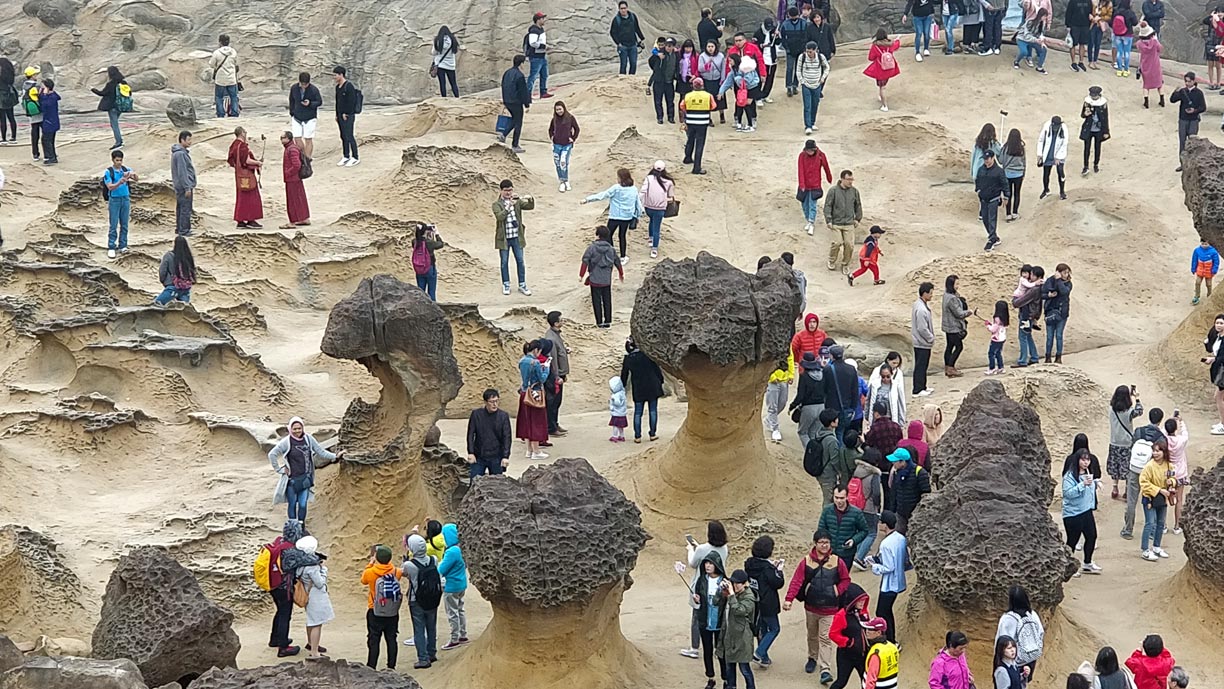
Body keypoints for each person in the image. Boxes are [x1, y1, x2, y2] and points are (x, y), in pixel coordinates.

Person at [783, 530, 850, 682]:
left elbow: (845, 580)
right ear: (815, 543)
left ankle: (825, 669)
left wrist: (836, 591)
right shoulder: (806, 561)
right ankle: (812, 657)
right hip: (811, 607)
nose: (825, 545)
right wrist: (789, 599)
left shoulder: (837, 561)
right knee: (812, 635)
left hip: (830, 608)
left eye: (827, 542)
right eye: (821, 542)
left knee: (825, 637)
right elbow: (797, 581)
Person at [268, 416, 340, 523]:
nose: (297, 431)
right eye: (294, 429)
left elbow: (320, 451)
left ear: (302, 428)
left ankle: (301, 527)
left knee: (302, 505)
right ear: (290, 429)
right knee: (292, 505)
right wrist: (279, 470)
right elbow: (272, 454)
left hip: (305, 479)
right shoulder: (286, 442)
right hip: (292, 481)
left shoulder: (308, 439)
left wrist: (335, 456)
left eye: (299, 428)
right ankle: (293, 529)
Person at [683, 522, 730, 660]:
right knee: (718, 615)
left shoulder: (702, 549)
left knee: (697, 616)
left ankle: (694, 648)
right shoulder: (724, 548)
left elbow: (693, 563)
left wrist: (691, 550)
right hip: (718, 585)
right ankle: (718, 648)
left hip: (701, 585)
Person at [583, 168, 643, 263]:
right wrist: (638, 215)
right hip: (627, 217)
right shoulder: (634, 189)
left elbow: (603, 195)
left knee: (609, 234)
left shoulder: (616, 188)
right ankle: (623, 257)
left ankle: (611, 253)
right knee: (622, 236)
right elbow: (638, 204)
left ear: (621, 178)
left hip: (615, 216)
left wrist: (588, 199)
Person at [743, 536, 784, 667]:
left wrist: (772, 567)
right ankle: (759, 653)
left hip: (755, 600)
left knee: (762, 629)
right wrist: (779, 571)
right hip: (768, 603)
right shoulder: (767, 568)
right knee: (774, 629)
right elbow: (777, 583)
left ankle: (764, 659)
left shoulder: (749, 564)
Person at [866, 512, 905, 644]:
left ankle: (890, 640)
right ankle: (892, 640)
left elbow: (888, 567)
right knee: (887, 611)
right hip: (899, 581)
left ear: (884, 525)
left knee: (881, 612)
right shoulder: (900, 538)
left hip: (889, 584)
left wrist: (874, 566)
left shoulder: (886, 544)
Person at [291, 535, 333, 659]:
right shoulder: (312, 567)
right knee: (317, 623)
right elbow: (320, 583)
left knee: (311, 621)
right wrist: (324, 571)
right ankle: (314, 651)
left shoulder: (300, 564)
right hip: (316, 596)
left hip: (308, 595)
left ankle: (310, 643)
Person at [265, 520, 303, 657]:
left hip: (273, 585)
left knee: (280, 612)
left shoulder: (279, 542)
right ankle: (283, 647)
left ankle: (275, 639)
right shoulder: (290, 550)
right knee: (285, 615)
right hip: (284, 588)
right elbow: (305, 561)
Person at [362, 545, 403, 669]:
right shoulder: (396, 571)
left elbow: (363, 580)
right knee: (391, 639)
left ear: (376, 558)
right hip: (392, 611)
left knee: (374, 639)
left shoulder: (370, 572)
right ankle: (391, 666)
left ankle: (371, 666)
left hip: (374, 610)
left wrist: (370, 563)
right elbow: (399, 574)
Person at [692, 551, 730, 688]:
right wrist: (697, 599)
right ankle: (711, 677)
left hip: (720, 622)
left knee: (721, 651)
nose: (708, 566)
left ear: (717, 565)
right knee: (707, 650)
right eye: (706, 563)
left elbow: (730, 601)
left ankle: (726, 679)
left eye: (711, 563)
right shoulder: (701, 580)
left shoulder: (725, 581)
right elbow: (698, 600)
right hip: (705, 621)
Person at [403, 535, 440, 669]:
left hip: (416, 600)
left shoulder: (409, 565)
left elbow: (405, 574)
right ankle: (432, 653)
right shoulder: (433, 560)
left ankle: (423, 659)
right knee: (431, 626)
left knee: (419, 629)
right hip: (432, 598)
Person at [1063, 447, 1102, 574]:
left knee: (1091, 536)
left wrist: (1095, 483)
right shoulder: (1069, 476)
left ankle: (1087, 562)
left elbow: (1089, 489)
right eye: (1083, 460)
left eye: (1088, 460)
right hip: (1073, 514)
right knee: (1072, 541)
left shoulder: (1087, 472)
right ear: (1077, 460)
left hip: (1086, 511)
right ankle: (1068, 567)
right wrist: (1082, 485)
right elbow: (1068, 493)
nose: (1086, 463)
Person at [718, 570, 759, 689]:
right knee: (729, 667)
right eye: (733, 582)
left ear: (745, 583)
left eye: (738, 583)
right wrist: (722, 592)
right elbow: (717, 602)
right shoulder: (732, 593)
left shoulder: (749, 597)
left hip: (742, 638)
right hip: (729, 636)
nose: (735, 585)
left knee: (744, 668)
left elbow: (739, 610)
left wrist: (731, 595)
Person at [827, 583, 872, 689]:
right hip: (846, 656)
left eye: (864, 600)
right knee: (841, 682)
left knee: (867, 682)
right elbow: (832, 634)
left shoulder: (863, 613)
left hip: (863, 655)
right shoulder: (841, 615)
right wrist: (848, 642)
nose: (862, 602)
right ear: (853, 601)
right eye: (860, 600)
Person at [493, 179, 533, 296]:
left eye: (510, 190)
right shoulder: (496, 204)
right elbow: (500, 217)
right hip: (504, 238)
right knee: (504, 262)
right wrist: (508, 206)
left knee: (520, 261)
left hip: (516, 237)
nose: (508, 193)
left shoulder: (517, 202)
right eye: (506, 191)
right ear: (501, 191)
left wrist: (529, 198)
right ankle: (506, 284)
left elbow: (530, 206)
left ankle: (522, 284)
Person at [579, 226, 626, 327]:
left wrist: (581, 275)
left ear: (597, 234)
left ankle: (599, 322)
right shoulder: (611, 249)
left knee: (596, 301)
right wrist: (621, 273)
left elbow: (585, 261)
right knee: (607, 300)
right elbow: (617, 262)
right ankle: (608, 321)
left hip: (595, 279)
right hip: (606, 280)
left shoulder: (592, 248)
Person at [621, 337, 665, 443]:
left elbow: (624, 374)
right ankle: (652, 434)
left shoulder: (628, 358)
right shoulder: (647, 355)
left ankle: (637, 436)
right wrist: (661, 380)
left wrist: (622, 387)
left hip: (638, 387)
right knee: (653, 411)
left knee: (638, 413)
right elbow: (656, 369)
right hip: (652, 386)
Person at [1138, 437, 1175, 560]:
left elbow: (1174, 478)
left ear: (1164, 452)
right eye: (1154, 450)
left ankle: (1157, 547)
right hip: (1150, 498)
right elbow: (1143, 483)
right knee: (1150, 523)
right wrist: (1159, 490)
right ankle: (1145, 549)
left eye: (1158, 451)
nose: (1155, 453)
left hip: (1163, 498)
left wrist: (1172, 482)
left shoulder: (1169, 465)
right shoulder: (1149, 466)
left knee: (1160, 523)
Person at [995, 585, 1044, 676]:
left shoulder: (1007, 619)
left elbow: (1002, 641)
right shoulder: (1033, 615)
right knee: (1024, 681)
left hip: (1013, 661)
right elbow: (1040, 633)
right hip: (1030, 657)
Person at [466, 388, 511, 479]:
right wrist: (471, 452)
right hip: (479, 455)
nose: (495, 404)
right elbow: (470, 434)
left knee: (497, 484)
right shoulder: (476, 414)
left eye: (496, 401)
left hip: (496, 456)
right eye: (491, 402)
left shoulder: (503, 416)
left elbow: (507, 437)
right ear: (486, 402)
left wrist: (505, 456)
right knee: (474, 481)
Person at [436, 523, 468, 650]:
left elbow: (441, 569)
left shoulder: (451, 551)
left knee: (452, 613)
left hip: (451, 586)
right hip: (461, 584)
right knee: (460, 610)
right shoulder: (460, 548)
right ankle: (463, 635)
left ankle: (454, 639)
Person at [818, 486, 870, 564]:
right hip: (829, 553)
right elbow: (821, 530)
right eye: (836, 497)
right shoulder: (827, 510)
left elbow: (864, 530)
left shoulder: (856, 513)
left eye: (842, 498)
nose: (839, 501)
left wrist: (854, 540)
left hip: (846, 554)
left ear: (847, 497)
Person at [824, 170, 863, 271]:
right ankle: (831, 260)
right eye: (848, 179)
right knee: (836, 243)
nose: (850, 182)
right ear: (842, 179)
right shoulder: (833, 191)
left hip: (849, 223)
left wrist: (858, 218)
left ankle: (845, 264)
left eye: (851, 179)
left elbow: (858, 205)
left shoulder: (854, 191)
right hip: (836, 223)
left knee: (849, 244)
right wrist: (828, 220)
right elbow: (828, 205)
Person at [227, 127, 264, 228]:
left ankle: (240, 220)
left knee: (241, 197)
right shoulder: (242, 146)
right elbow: (246, 161)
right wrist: (258, 163)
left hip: (238, 174)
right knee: (251, 196)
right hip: (247, 174)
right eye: (245, 132)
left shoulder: (234, 145)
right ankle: (250, 219)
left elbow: (231, 160)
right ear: (242, 133)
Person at [851, 453, 884, 567]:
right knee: (872, 533)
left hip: (855, 505)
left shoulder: (857, 471)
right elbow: (876, 494)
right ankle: (859, 558)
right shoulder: (874, 474)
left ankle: (856, 554)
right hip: (869, 508)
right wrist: (878, 506)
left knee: (861, 531)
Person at [103, 150, 137, 259]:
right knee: (113, 224)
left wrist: (132, 174)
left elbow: (137, 179)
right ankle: (111, 246)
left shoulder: (126, 169)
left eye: (120, 160)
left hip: (125, 198)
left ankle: (123, 245)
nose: (119, 162)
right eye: (117, 160)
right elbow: (110, 187)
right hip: (114, 200)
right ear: (113, 160)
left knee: (125, 224)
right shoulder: (109, 172)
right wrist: (120, 182)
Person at [541, 311, 570, 435]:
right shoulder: (551, 338)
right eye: (561, 320)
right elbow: (552, 359)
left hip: (560, 374)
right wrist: (557, 376)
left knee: (557, 402)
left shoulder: (555, 335)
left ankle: (555, 424)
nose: (563, 321)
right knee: (552, 402)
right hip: (555, 375)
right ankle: (551, 428)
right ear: (556, 323)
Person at [886, 447, 930, 527]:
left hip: (915, 514)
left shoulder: (920, 472)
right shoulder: (897, 473)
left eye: (895, 461)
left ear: (903, 461)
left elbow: (926, 493)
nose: (893, 464)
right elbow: (894, 493)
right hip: (900, 514)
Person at [1171, 72, 1207, 171]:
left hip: (1193, 120)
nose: (1187, 83)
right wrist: (1175, 92)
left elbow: (1203, 107)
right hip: (1183, 119)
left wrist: (1194, 111)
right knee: (1182, 142)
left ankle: (1192, 165)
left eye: (1189, 81)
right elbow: (1172, 100)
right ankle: (1183, 164)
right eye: (1186, 81)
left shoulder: (1199, 93)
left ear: (1193, 81)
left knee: (1192, 142)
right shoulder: (1183, 91)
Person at [640, 160, 675, 259]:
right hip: (660, 208)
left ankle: (650, 239)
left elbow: (643, 191)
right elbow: (671, 197)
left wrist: (640, 203)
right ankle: (654, 249)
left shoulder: (648, 178)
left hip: (648, 207)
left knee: (651, 221)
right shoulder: (669, 182)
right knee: (657, 228)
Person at [791, 352, 828, 446]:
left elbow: (801, 395)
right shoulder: (823, 375)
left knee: (803, 433)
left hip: (808, 408)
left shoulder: (804, 376)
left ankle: (811, 453)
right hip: (821, 406)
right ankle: (816, 455)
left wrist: (792, 405)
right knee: (814, 433)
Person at [808, 408, 845, 500]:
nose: (838, 419)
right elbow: (835, 460)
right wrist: (840, 473)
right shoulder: (831, 441)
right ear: (832, 423)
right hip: (828, 475)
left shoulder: (819, 433)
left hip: (821, 471)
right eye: (836, 418)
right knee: (828, 501)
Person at [795, 41, 831, 136]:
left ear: (815, 50)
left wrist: (823, 78)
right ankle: (808, 126)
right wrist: (801, 81)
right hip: (806, 84)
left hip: (817, 84)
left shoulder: (821, 57)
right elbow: (798, 70)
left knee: (815, 104)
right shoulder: (801, 58)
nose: (809, 54)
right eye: (807, 51)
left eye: (811, 52)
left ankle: (812, 122)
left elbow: (827, 67)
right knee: (807, 105)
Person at [975, 149, 1008, 251]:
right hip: (983, 198)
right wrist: (978, 190)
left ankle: (991, 239)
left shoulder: (999, 171)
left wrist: (1006, 196)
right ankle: (993, 236)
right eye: (985, 159)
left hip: (994, 198)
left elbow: (1005, 184)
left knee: (992, 219)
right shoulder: (981, 169)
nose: (986, 161)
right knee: (985, 219)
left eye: (988, 159)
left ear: (993, 158)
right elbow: (978, 180)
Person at [680, 76, 714, 175]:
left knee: (690, 139)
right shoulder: (708, 96)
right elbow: (713, 106)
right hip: (702, 122)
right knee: (700, 143)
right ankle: (697, 167)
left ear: (693, 86)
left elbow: (682, 106)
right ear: (702, 85)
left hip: (690, 121)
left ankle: (687, 157)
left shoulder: (688, 95)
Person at [798, 139, 832, 234]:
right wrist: (802, 184)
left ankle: (811, 222)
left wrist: (829, 177)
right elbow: (800, 170)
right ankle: (808, 220)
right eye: (808, 150)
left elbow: (826, 167)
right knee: (804, 204)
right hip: (804, 184)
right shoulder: (802, 156)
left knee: (812, 204)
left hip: (815, 184)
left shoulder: (821, 155)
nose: (809, 152)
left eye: (811, 150)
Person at [279, 131, 311, 230]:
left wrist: (288, 173)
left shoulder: (291, 149)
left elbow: (296, 165)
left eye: (282, 137)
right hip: (296, 179)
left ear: (288, 138)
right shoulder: (293, 148)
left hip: (292, 179)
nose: (281, 140)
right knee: (300, 198)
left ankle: (292, 222)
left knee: (292, 201)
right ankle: (303, 218)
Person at [1162, 415, 1188, 533]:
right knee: (1179, 500)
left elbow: (1162, 431)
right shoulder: (1181, 441)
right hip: (1180, 473)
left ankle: (1163, 525)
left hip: (1167, 473)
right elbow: (1185, 433)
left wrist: (1168, 422)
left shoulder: (1164, 441)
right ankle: (1177, 526)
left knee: (1164, 499)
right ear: (1175, 429)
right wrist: (1181, 421)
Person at [863, 29, 901, 111]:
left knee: (882, 87)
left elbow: (871, 58)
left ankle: (885, 106)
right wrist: (898, 39)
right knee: (883, 86)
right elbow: (896, 45)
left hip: (880, 69)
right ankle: (881, 96)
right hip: (889, 68)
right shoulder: (890, 44)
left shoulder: (875, 46)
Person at [942, 275, 973, 376]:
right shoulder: (952, 299)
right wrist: (969, 312)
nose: (958, 286)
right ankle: (951, 367)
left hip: (948, 326)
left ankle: (947, 367)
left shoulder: (946, 295)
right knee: (959, 347)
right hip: (954, 327)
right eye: (956, 284)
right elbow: (959, 313)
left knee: (949, 347)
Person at [288, 72, 322, 160]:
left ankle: (308, 158)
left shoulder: (314, 89)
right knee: (297, 138)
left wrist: (310, 103)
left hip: (310, 117)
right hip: (297, 116)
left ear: (308, 83)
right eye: (302, 84)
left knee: (308, 138)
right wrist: (292, 112)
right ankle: (302, 156)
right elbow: (291, 100)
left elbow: (319, 102)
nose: (304, 86)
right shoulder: (294, 88)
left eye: (305, 84)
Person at [91, 66, 127, 150]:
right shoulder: (123, 82)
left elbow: (102, 93)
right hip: (121, 106)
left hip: (112, 107)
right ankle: (119, 141)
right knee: (114, 123)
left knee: (114, 125)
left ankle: (118, 142)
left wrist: (92, 89)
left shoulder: (110, 84)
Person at [1043, 263, 1072, 362]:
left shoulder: (1068, 283)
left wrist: (1059, 280)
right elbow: (1042, 293)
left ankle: (1058, 357)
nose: (1066, 275)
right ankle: (1047, 357)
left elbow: (1064, 292)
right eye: (1064, 273)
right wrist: (1049, 295)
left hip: (1062, 313)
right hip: (1050, 311)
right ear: (1058, 272)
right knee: (1049, 336)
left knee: (1059, 335)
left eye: (1068, 273)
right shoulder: (1050, 280)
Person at [155, 235, 197, 306]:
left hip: (172, 287)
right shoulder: (188, 257)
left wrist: (164, 282)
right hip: (185, 289)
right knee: (183, 308)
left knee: (156, 304)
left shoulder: (169, 255)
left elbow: (162, 271)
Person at [548, 101, 580, 192]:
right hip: (557, 144)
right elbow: (550, 129)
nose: (559, 111)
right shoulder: (554, 119)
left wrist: (573, 138)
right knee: (557, 163)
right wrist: (552, 137)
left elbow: (577, 129)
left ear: (564, 108)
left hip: (566, 144)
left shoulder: (570, 118)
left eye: (560, 109)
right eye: (557, 109)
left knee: (563, 162)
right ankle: (561, 181)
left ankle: (566, 180)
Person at [912, 282, 936, 397]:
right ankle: (917, 389)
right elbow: (922, 328)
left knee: (923, 365)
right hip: (922, 342)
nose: (932, 295)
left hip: (921, 342)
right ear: (925, 293)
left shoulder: (919, 304)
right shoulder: (921, 309)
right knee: (921, 366)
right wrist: (930, 338)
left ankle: (923, 386)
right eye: (930, 293)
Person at [868, 353, 907, 425]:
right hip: (877, 415)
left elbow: (901, 399)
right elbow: (869, 398)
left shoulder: (898, 375)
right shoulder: (876, 372)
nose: (895, 365)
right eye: (894, 363)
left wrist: (901, 419)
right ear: (888, 360)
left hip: (890, 414)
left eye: (897, 363)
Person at [333, 65, 360, 166]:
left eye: (335, 75)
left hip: (348, 115)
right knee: (343, 135)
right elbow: (338, 102)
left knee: (349, 135)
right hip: (340, 115)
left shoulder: (348, 86)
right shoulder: (337, 87)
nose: (334, 77)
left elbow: (351, 102)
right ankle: (346, 155)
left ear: (341, 75)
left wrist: (347, 113)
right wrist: (337, 114)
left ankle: (355, 157)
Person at [170, 130, 196, 236]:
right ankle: (184, 230)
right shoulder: (180, 154)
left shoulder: (178, 153)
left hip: (179, 185)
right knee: (185, 208)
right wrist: (187, 187)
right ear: (182, 140)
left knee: (181, 207)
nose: (190, 142)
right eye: (188, 140)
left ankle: (180, 228)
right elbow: (182, 172)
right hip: (183, 186)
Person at [1080, 86, 1110, 175]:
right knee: (1087, 148)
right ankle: (1085, 166)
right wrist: (1085, 114)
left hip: (1099, 129)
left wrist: (1106, 131)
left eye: (1095, 95)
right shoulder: (1087, 102)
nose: (1093, 97)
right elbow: (1082, 114)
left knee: (1097, 148)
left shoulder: (1103, 103)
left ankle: (1096, 164)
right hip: (1089, 128)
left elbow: (1105, 118)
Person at [649, 38, 680, 124]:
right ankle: (660, 117)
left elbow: (677, 65)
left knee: (670, 101)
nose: (668, 48)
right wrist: (656, 70)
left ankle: (671, 117)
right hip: (659, 81)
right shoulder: (660, 53)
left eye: (670, 46)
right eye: (667, 46)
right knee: (658, 101)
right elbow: (651, 61)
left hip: (669, 81)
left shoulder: (676, 55)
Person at [766, 353, 795, 442]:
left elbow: (790, 358)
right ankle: (775, 429)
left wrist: (791, 374)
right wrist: (771, 376)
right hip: (773, 381)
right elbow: (766, 361)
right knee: (772, 406)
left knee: (783, 402)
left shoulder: (787, 345)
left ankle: (769, 419)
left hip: (784, 379)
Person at [698, 40, 729, 125]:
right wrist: (707, 64)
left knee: (720, 98)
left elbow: (723, 69)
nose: (710, 49)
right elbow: (700, 69)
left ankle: (721, 114)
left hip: (717, 79)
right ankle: (709, 117)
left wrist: (723, 80)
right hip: (707, 80)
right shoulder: (702, 56)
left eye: (712, 46)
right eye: (709, 47)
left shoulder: (721, 56)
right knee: (707, 99)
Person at [1037, 117, 1068, 200]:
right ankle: (1046, 190)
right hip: (1048, 153)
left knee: (1060, 172)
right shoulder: (1047, 127)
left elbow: (1064, 144)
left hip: (1059, 154)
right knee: (1046, 173)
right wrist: (1040, 154)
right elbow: (1041, 140)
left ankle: (1062, 192)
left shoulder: (1064, 129)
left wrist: (1058, 157)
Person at [999, 129, 1027, 221]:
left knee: (1008, 194)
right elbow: (1024, 162)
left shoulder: (1005, 148)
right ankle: (1015, 212)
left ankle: (1008, 214)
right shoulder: (1021, 148)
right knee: (1017, 193)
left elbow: (1001, 161)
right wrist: (1023, 173)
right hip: (1018, 174)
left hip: (1007, 174)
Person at [611, 2, 646, 75]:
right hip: (623, 46)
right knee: (623, 65)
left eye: (624, 8)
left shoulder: (632, 17)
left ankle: (631, 80)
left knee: (633, 64)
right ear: (619, 9)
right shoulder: (616, 20)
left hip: (633, 45)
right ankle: (622, 82)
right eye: (621, 8)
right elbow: (612, 32)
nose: (623, 10)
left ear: (627, 8)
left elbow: (637, 28)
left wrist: (641, 38)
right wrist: (618, 43)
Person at [863, 618, 899, 688]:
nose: (866, 631)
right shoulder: (893, 647)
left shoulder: (876, 654)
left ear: (879, 632)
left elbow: (870, 681)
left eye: (870, 629)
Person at [210, 34, 240, 117]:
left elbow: (211, 64)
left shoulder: (216, 53)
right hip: (231, 78)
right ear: (229, 42)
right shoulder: (233, 52)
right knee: (233, 96)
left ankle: (221, 114)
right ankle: (234, 113)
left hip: (220, 79)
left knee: (219, 97)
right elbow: (236, 63)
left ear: (220, 42)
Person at [410, 223, 443, 300]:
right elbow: (440, 244)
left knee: (421, 291)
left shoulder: (414, 242)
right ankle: (433, 309)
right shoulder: (429, 243)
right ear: (425, 232)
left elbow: (419, 240)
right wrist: (436, 234)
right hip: (429, 268)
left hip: (419, 269)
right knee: (431, 292)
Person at [524, 12, 552, 99]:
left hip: (541, 55)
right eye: (542, 18)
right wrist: (544, 46)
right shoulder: (534, 30)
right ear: (538, 20)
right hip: (536, 56)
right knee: (533, 76)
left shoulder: (540, 29)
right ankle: (527, 94)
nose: (544, 20)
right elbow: (532, 43)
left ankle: (543, 92)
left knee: (544, 75)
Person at [780, 8, 808, 95]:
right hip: (790, 50)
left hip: (800, 50)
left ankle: (795, 85)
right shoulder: (785, 24)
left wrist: (804, 49)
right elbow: (783, 38)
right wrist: (787, 49)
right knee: (789, 69)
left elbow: (806, 37)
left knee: (798, 69)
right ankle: (789, 87)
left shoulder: (803, 23)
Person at [1205, 314, 1224, 435]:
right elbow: (1215, 352)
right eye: (1217, 323)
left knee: (1218, 397)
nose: (1218, 325)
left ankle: (1223, 424)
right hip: (1220, 368)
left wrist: (1213, 360)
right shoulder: (1218, 336)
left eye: (1221, 323)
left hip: (1223, 371)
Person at [1136, 26, 1164, 109]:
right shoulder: (1155, 42)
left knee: (1146, 85)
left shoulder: (1139, 43)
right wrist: (1155, 40)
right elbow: (1160, 49)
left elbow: (1139, 49)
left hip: (1145, 65)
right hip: (1155, 65)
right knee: (1159, 83)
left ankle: (1146, 102)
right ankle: (1162, 100)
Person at [978, 300, 1009, 375]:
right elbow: (998, 326)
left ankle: (992, 368)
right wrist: (991, 324)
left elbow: (993, 329)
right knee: (998, 353)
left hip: (996, 339)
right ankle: (1001, 367)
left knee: (991, 353)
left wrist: (987, 325)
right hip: (1002, 338)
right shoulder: (1005, 317)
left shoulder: (997, 318)